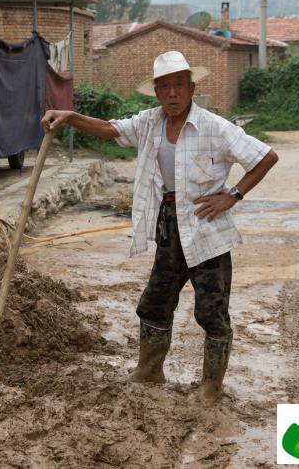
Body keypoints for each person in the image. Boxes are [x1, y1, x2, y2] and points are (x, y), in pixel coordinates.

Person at [41, 50, 278, 404]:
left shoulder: (215, 127)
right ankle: (150, 371)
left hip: (205, 228)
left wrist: (232, 195)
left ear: (192, 88)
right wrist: (71, 117)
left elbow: (266, 157)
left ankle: (211, 388)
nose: (172, 93)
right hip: (169, 225)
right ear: (155, 92)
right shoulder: (150, 123)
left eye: (179, 85)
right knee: (154, 301)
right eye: (164, 87)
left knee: (211, 310)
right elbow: (111, 130)